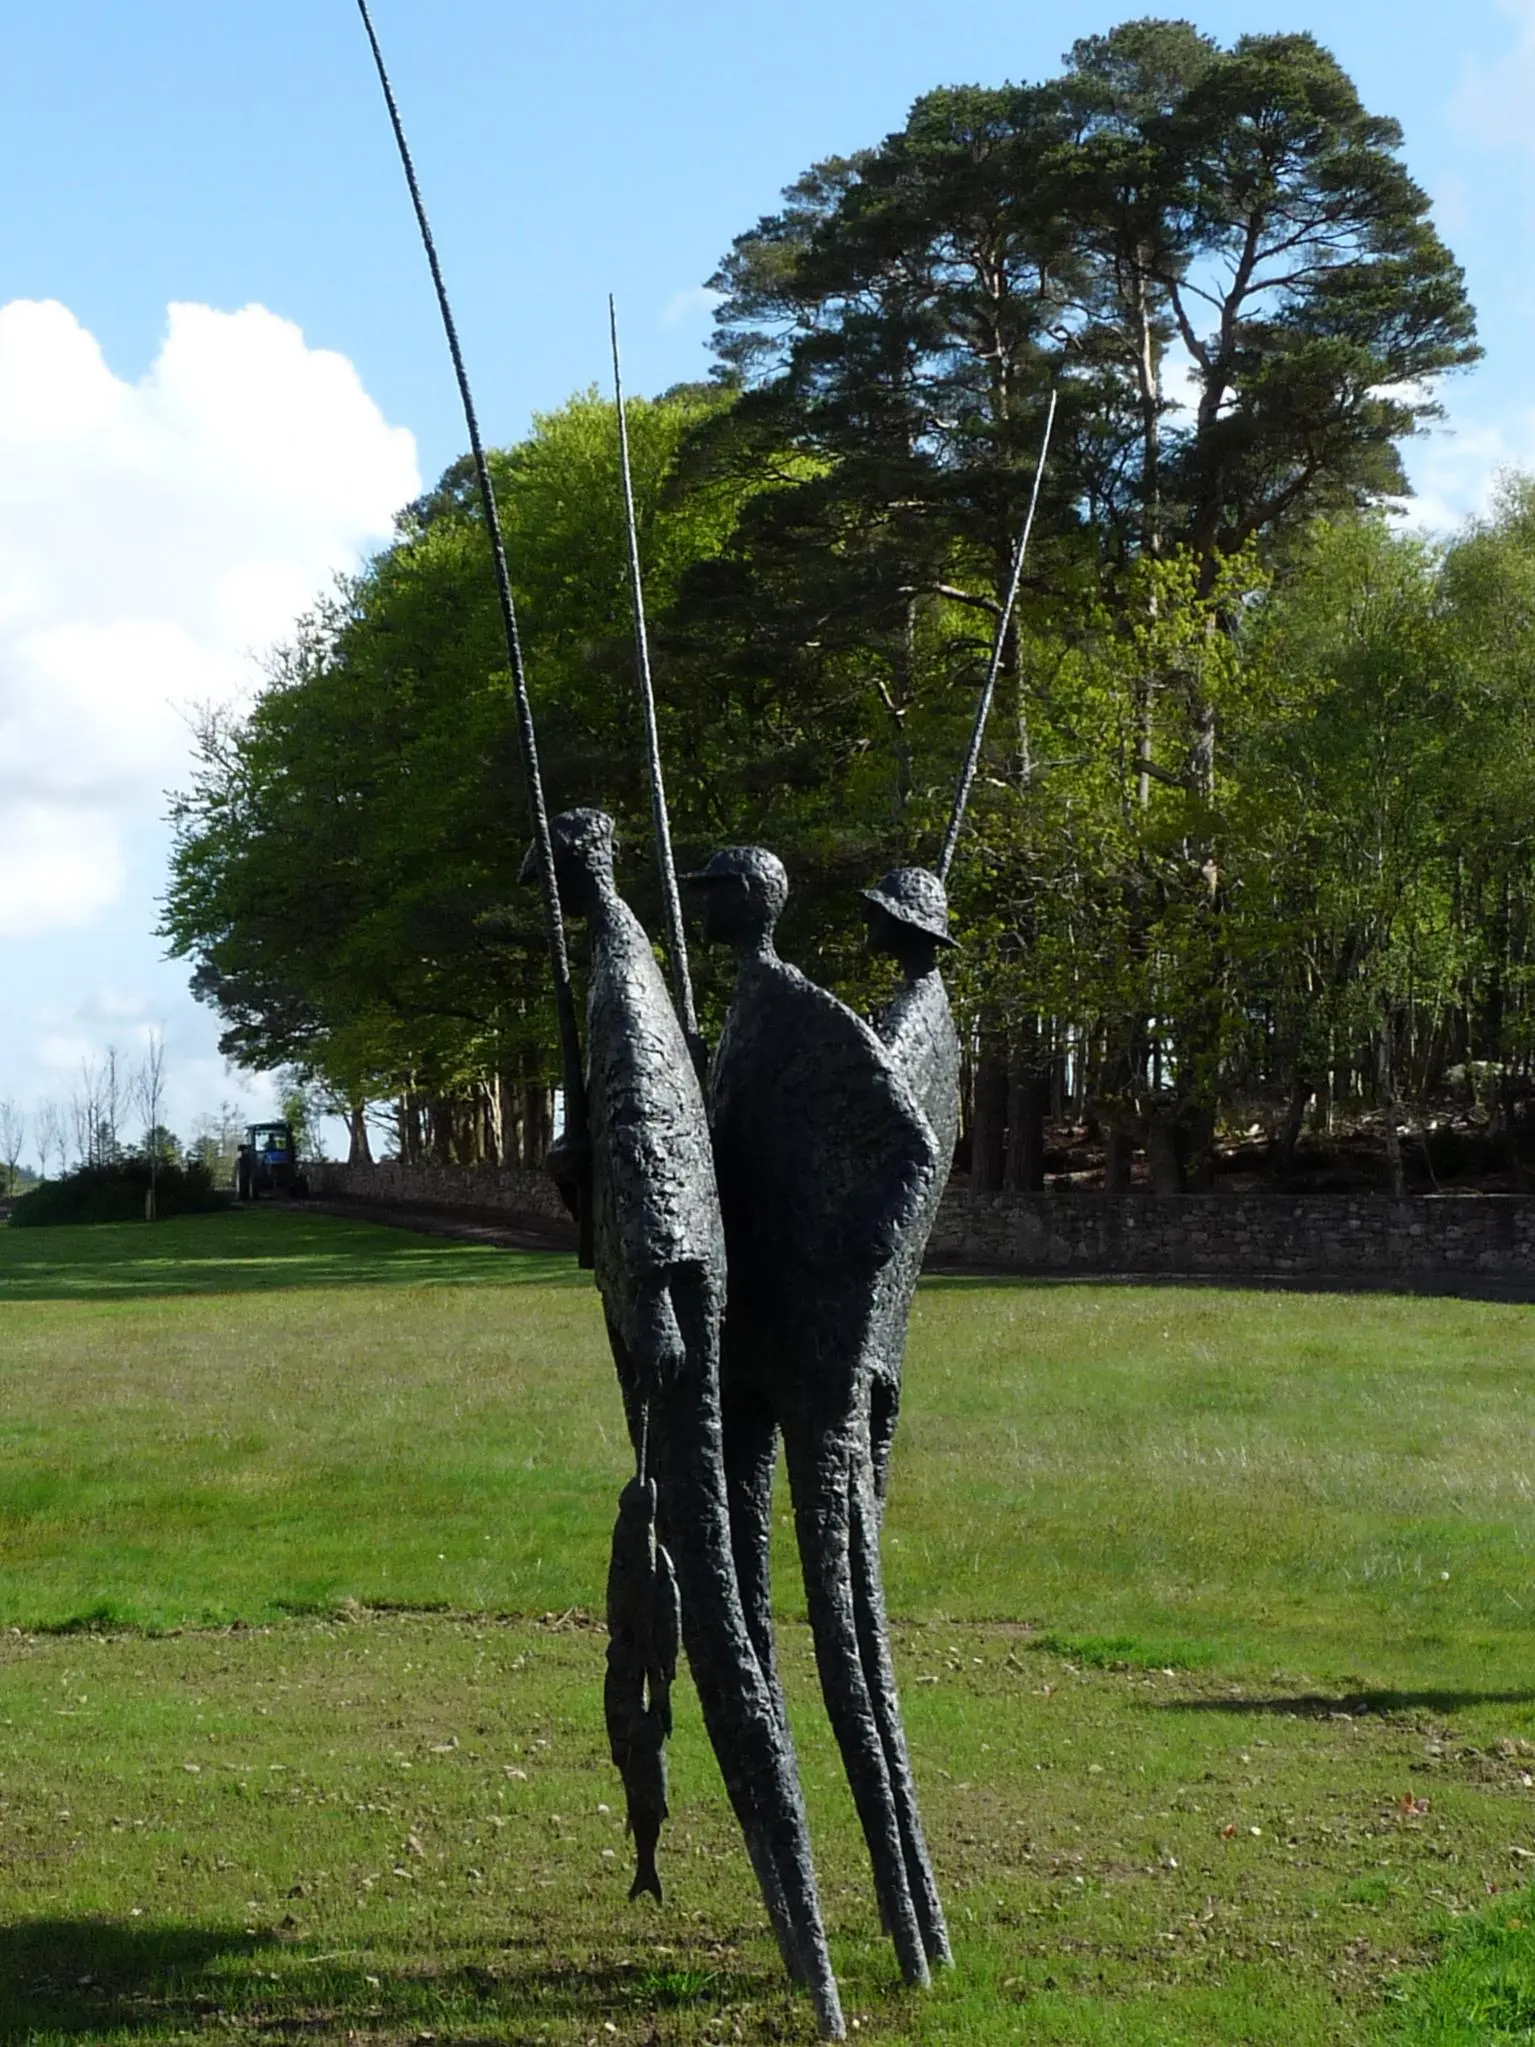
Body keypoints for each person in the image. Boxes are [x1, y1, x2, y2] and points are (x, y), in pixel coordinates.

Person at [522, 810, 843, 2040]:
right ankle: (803, 1931)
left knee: (717, 1621)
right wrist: (577, 1173)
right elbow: (630, 1131)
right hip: (667, 1311)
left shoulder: (619, 964)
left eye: (547, 875)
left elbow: (654, 1128)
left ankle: (808, 1950)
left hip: (676, 1335)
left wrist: (655, 1292)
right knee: (718, 1611)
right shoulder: (622, 955)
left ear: (575, 870)